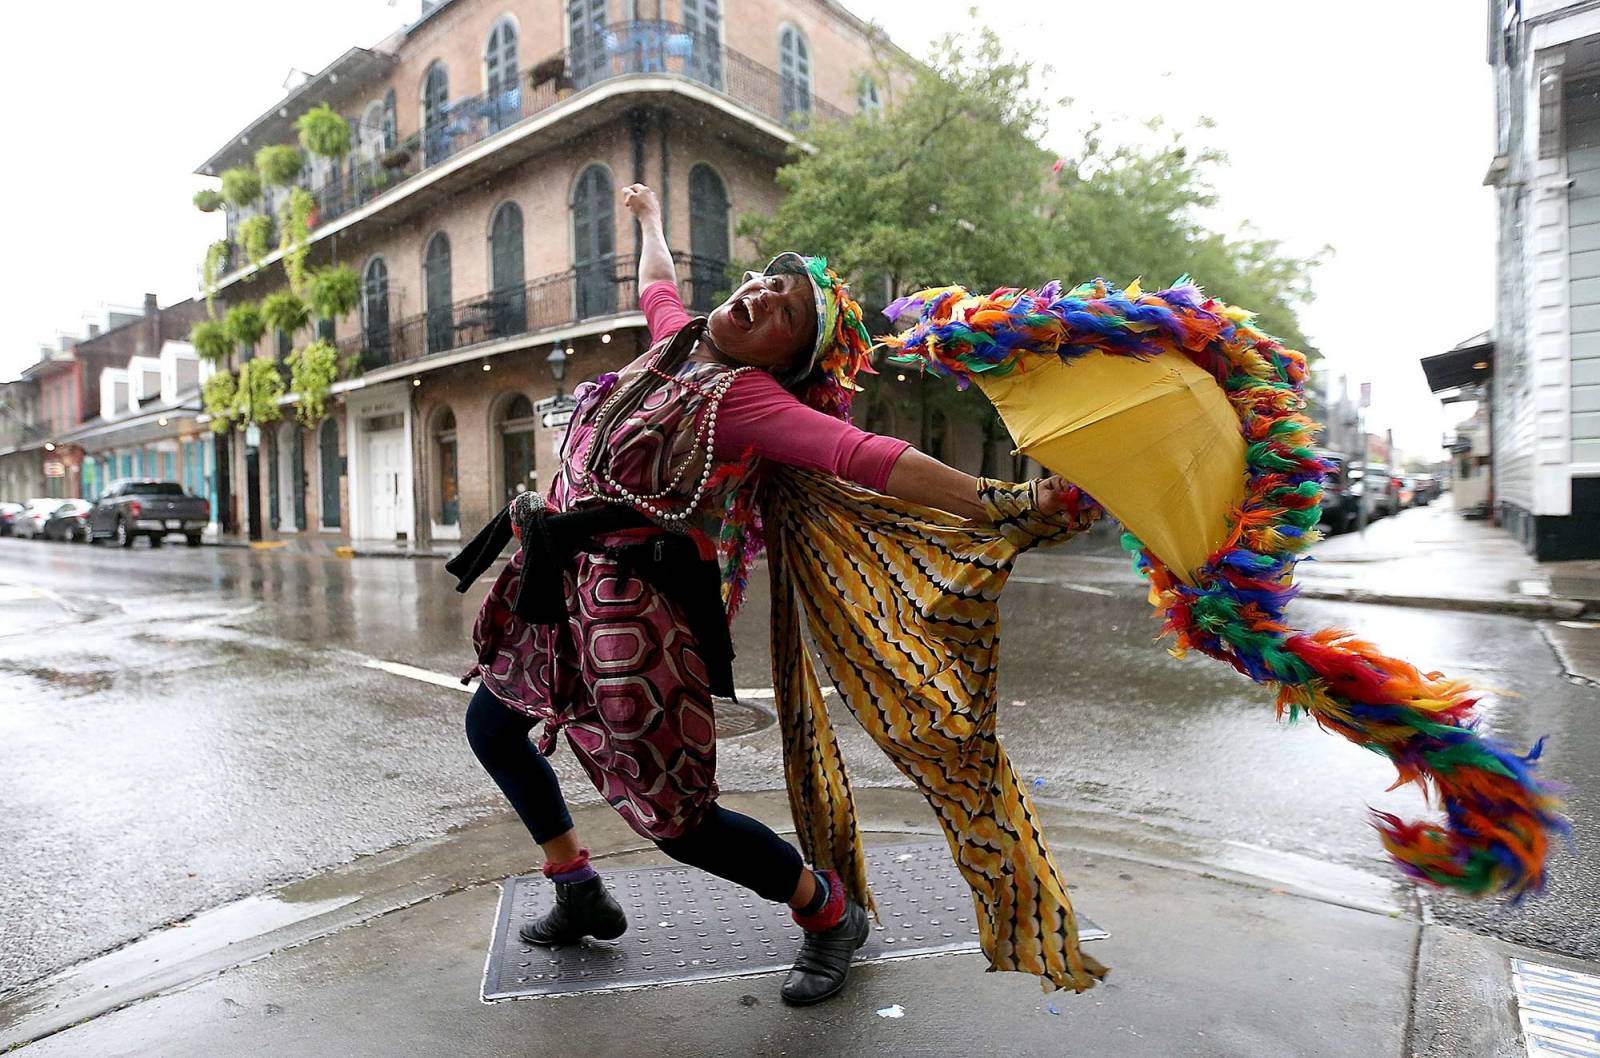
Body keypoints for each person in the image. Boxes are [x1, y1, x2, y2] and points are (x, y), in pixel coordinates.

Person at [450, 182, 1077, 1006]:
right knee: (492, 725)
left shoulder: (747, 398)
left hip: (633, 617)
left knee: (679, 821)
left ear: (785, 360)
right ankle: (577, 888)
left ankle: (827, 914)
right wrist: (647, 219)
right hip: (556, 584)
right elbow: (659, 284)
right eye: (761, 283)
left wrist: (1006, 502)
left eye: (782, 307)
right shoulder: (674, 342)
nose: (758, 294)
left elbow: (864, 454)